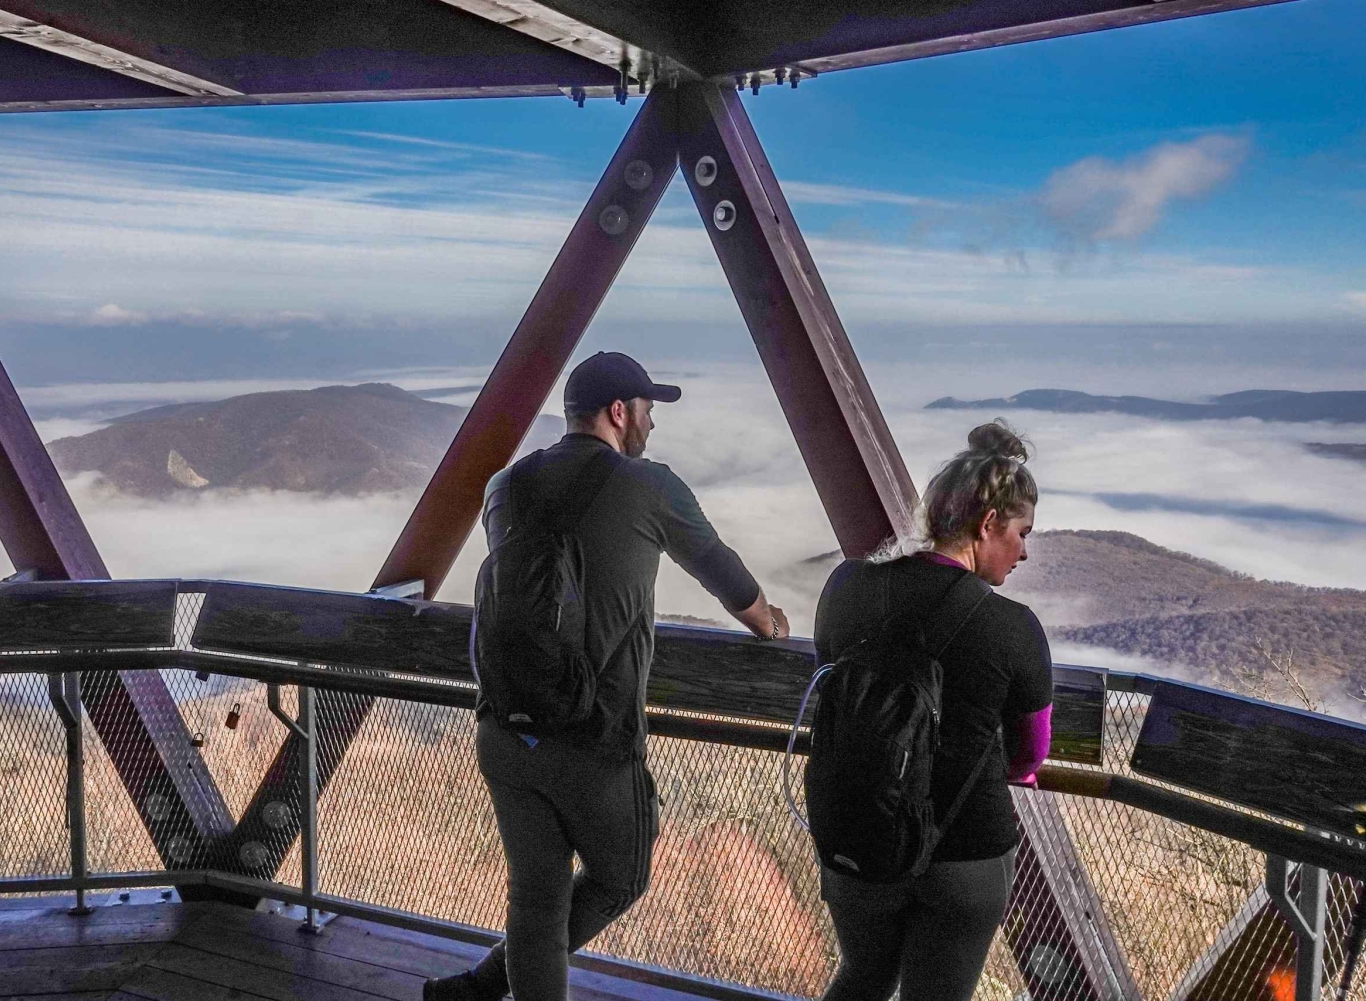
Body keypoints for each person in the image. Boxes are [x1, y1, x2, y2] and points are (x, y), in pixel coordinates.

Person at [424, 351, 789, 1001]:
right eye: (649, 409)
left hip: (504, 728)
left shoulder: (503, 487)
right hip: (593, 742)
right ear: (619, 412)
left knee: (536, 900)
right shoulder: (651, 486)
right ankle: (482, 984)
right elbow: (727, 578)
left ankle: (480, 988)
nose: (653, 423)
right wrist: (772, 624)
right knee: (622, 874)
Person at [811, 421, 1053, 1001]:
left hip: (858, 833)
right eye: (1022, 533)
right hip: (963, 855)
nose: (1024, 551)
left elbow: (830, 682)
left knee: (863, 976)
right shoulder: (1012, 627)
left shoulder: (845, 587)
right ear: (988, 523)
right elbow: (1029, 755)